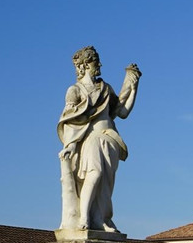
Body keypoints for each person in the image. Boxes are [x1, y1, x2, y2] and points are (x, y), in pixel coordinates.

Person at [58, 46, 141, 232]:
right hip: (91, 139)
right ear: (86, 64)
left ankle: (101, 219)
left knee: (105, 184)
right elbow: (69, 121)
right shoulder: (75, 90)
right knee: (94, 173)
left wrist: (134, 87)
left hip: (110, 138)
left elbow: (122, 112)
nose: (100, 65)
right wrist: (70, 145)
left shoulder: (105, 88)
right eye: (96, 61)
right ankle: (84, 217)